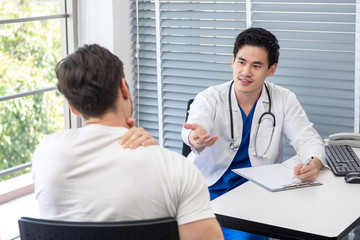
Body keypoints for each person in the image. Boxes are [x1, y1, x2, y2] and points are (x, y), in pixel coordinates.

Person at [32, 44, 224, 240]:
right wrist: (157, 157)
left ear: (72, 107)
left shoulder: (45, 152)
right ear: (124, 88)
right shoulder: (176, 169)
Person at [181, 27, 326, 240]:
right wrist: (196, 137)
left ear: (271, 69)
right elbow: (198, 121)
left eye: (256, 65)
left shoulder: (283, 99)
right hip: (209, 189)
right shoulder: (210, 97)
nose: (245, 72)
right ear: (232, 61)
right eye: (241, 62)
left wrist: (313, 162)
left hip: (255, 193)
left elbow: (307, 138)